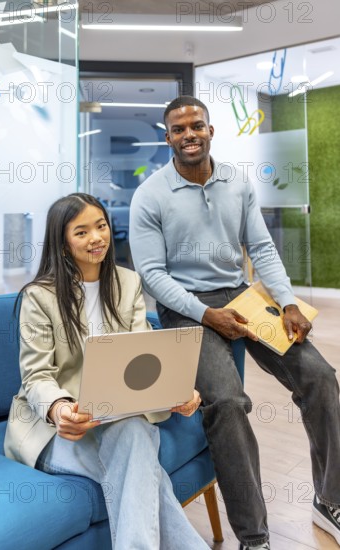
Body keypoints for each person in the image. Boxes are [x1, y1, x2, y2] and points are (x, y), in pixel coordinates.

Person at [129, 96, 340, 550]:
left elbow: (261, 249)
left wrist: (287, 301)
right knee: (226, 401)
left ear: (209, 131)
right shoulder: (150, 195)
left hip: (243, 297)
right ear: (167, 137)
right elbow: (152, 274)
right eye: (179, 128)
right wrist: (206, 314)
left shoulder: (236, 183)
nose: (189, 134)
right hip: (185, 308)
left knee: (321, 377)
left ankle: (330, 499)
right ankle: (255, 537)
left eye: (197, 126)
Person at [4, 192, 210, 550]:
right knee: (140, 459)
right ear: (63, 243)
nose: (96, 237)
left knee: (132, 435)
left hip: (120, 419)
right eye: (81, 231)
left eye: (100, 226)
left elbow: (145, 355)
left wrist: (176, 390)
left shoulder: (127, 282)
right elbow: (37, 376)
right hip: (60, 429)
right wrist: (59, 409)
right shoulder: (39, 296)